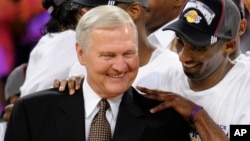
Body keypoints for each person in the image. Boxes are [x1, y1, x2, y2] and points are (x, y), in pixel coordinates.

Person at [4, 5, 190, 141]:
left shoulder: (167, 123)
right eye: (108, 56)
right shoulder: (32, 113)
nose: (120, 66)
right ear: (81, 54)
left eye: (128, 54)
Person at [135, 0, 250, 140]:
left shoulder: (245, 87)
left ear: (229, 46)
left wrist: (197, 115)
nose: (182, 57)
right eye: (179, 41)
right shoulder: (157, 79)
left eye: (197, 48)